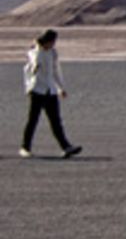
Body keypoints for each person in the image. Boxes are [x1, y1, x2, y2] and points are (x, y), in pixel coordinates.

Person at [21, 29, 81, 159]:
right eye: (52, 41)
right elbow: (29, 69)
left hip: (50, 91)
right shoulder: (35, 52)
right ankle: (25, 147)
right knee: (33, 120)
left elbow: (55, 71)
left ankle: (66, 147)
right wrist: (30, 80)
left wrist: (61, 88)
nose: (54, 44)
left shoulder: (53, 53)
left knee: (56, 121)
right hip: (37, 91)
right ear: (46, 41)